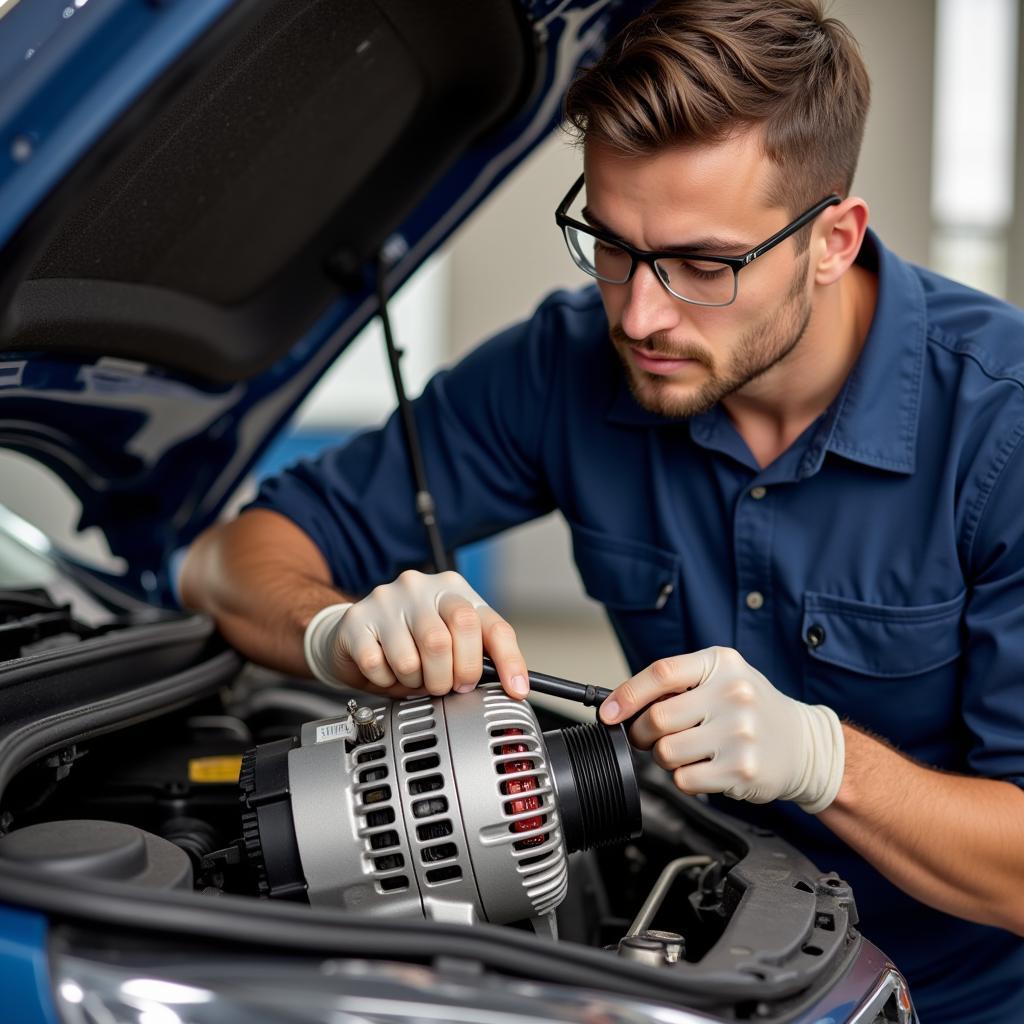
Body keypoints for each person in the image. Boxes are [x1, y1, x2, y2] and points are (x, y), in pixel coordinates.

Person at [179, 2, 1024, 1019]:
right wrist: (333, 629)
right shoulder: (566, 364)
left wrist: (823, 760)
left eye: (704, 267)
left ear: (833, 239)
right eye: (612, 244)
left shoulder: (1001, 430)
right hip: (690, 956)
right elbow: (228, 558)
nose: (638, 314)